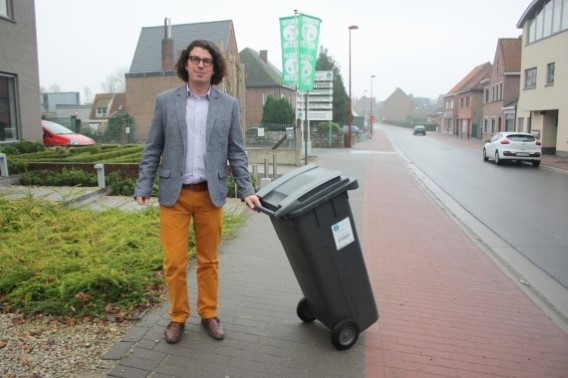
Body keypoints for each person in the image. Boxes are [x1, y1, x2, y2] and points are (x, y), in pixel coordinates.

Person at [133, 39, 261, 344]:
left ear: (214, 67)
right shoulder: (166, 102)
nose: (200, 64)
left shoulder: (228, 105)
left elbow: (237, 152)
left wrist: (247, 189)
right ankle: (177, 317)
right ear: (186, 64)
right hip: (173, 196)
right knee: (175, 262)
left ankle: (208, 313)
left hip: (210, 194)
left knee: (208, 261)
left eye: (206, 60)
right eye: (195, 59)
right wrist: (143, 185)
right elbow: (153, 147)